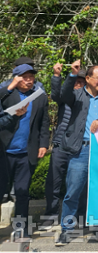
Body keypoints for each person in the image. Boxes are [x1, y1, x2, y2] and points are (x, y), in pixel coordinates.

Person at [56, 61, 98, 246]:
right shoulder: (77, 95)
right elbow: (63, 95)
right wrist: (71, 75)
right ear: (88, 79)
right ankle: (66, 230)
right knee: (73, 191)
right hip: (81, 150)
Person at [0, 64, 49, 234]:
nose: (29, 81)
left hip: (25, 153)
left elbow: (44, 122)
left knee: (22, 193)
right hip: (4, 152)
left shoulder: (39, 97)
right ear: (16, 77)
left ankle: (20, 228)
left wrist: (43, 143)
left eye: (31, 77)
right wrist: (10, 86)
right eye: (24, 77)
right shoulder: (7, 94)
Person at [42, 65, 87, 230]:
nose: (77, 85)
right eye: (75, 82)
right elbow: (55, 94)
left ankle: (80, 216)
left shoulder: (86, 102)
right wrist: (56, 75)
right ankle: (50, 215)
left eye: (81, 83)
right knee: (53, 182)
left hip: (79, 147)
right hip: (60, 145)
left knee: (79, 183)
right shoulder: (65, 98)